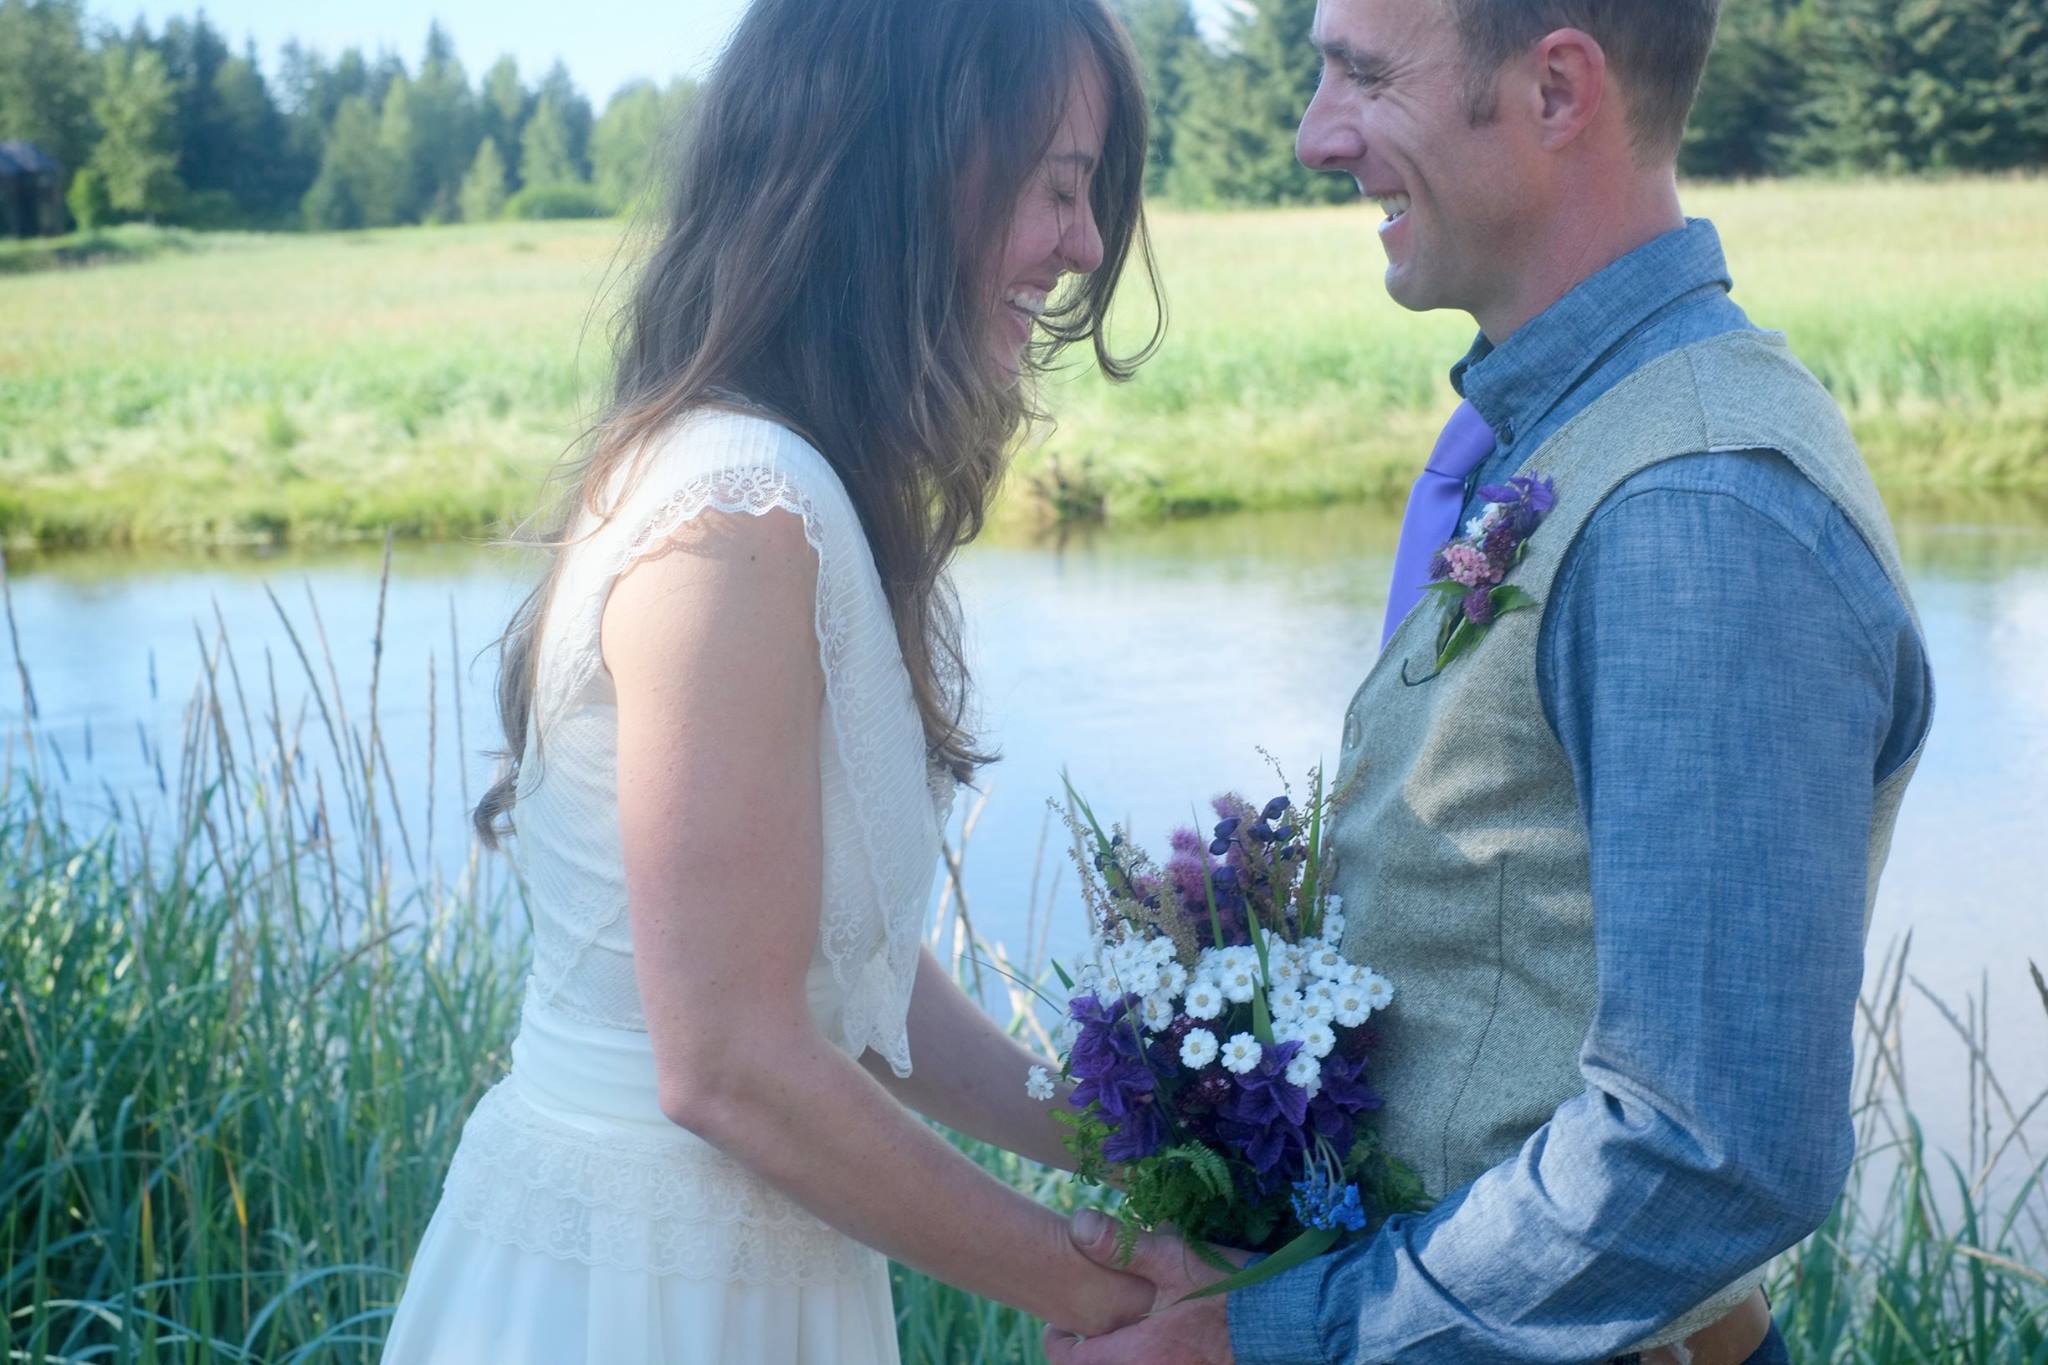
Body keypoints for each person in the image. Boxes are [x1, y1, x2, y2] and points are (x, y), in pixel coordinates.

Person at [1047, 1, 1933, 1361]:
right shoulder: (1579, 439)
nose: (1313, 135)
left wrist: (1269, 1343)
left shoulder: (1695, 509)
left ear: (1558, 92)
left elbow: (1712, 1150)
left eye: (1360, 74)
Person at [378, 0, 1164, 1359]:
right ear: (912, 179)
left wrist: (1131, 1130)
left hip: (725, 1258)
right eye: (1059, 188)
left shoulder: (765, 478)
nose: (1085, 245)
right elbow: (733, 1060)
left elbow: (829, 971)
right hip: (641, 1290)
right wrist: (1105, 1294)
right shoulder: (738, 510)